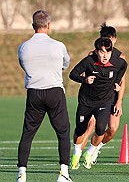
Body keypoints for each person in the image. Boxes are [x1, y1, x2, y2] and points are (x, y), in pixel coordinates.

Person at [17, 10, 73, 182]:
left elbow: (23, 65)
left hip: (34, 92)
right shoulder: (58, 45)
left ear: (33, 26)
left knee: (28, 133)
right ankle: (63, 173)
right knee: (63, 132)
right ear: (48, 25)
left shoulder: (24, 47)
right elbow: (66, 63)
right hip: (54, 91)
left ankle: (22, 174)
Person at [69, 37, 127, 170]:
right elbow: (72, 74)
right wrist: (84, 79)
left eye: (108, 52)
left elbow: (124, 67)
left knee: (101, 128)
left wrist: (117, 82)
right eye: (102, 52)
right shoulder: (89, 61)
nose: (105, 56)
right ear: (96, 52)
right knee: (81, 129)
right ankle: (76, 153)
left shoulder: (118, 63)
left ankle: (89, 153)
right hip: (86, 100)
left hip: (105, 101)